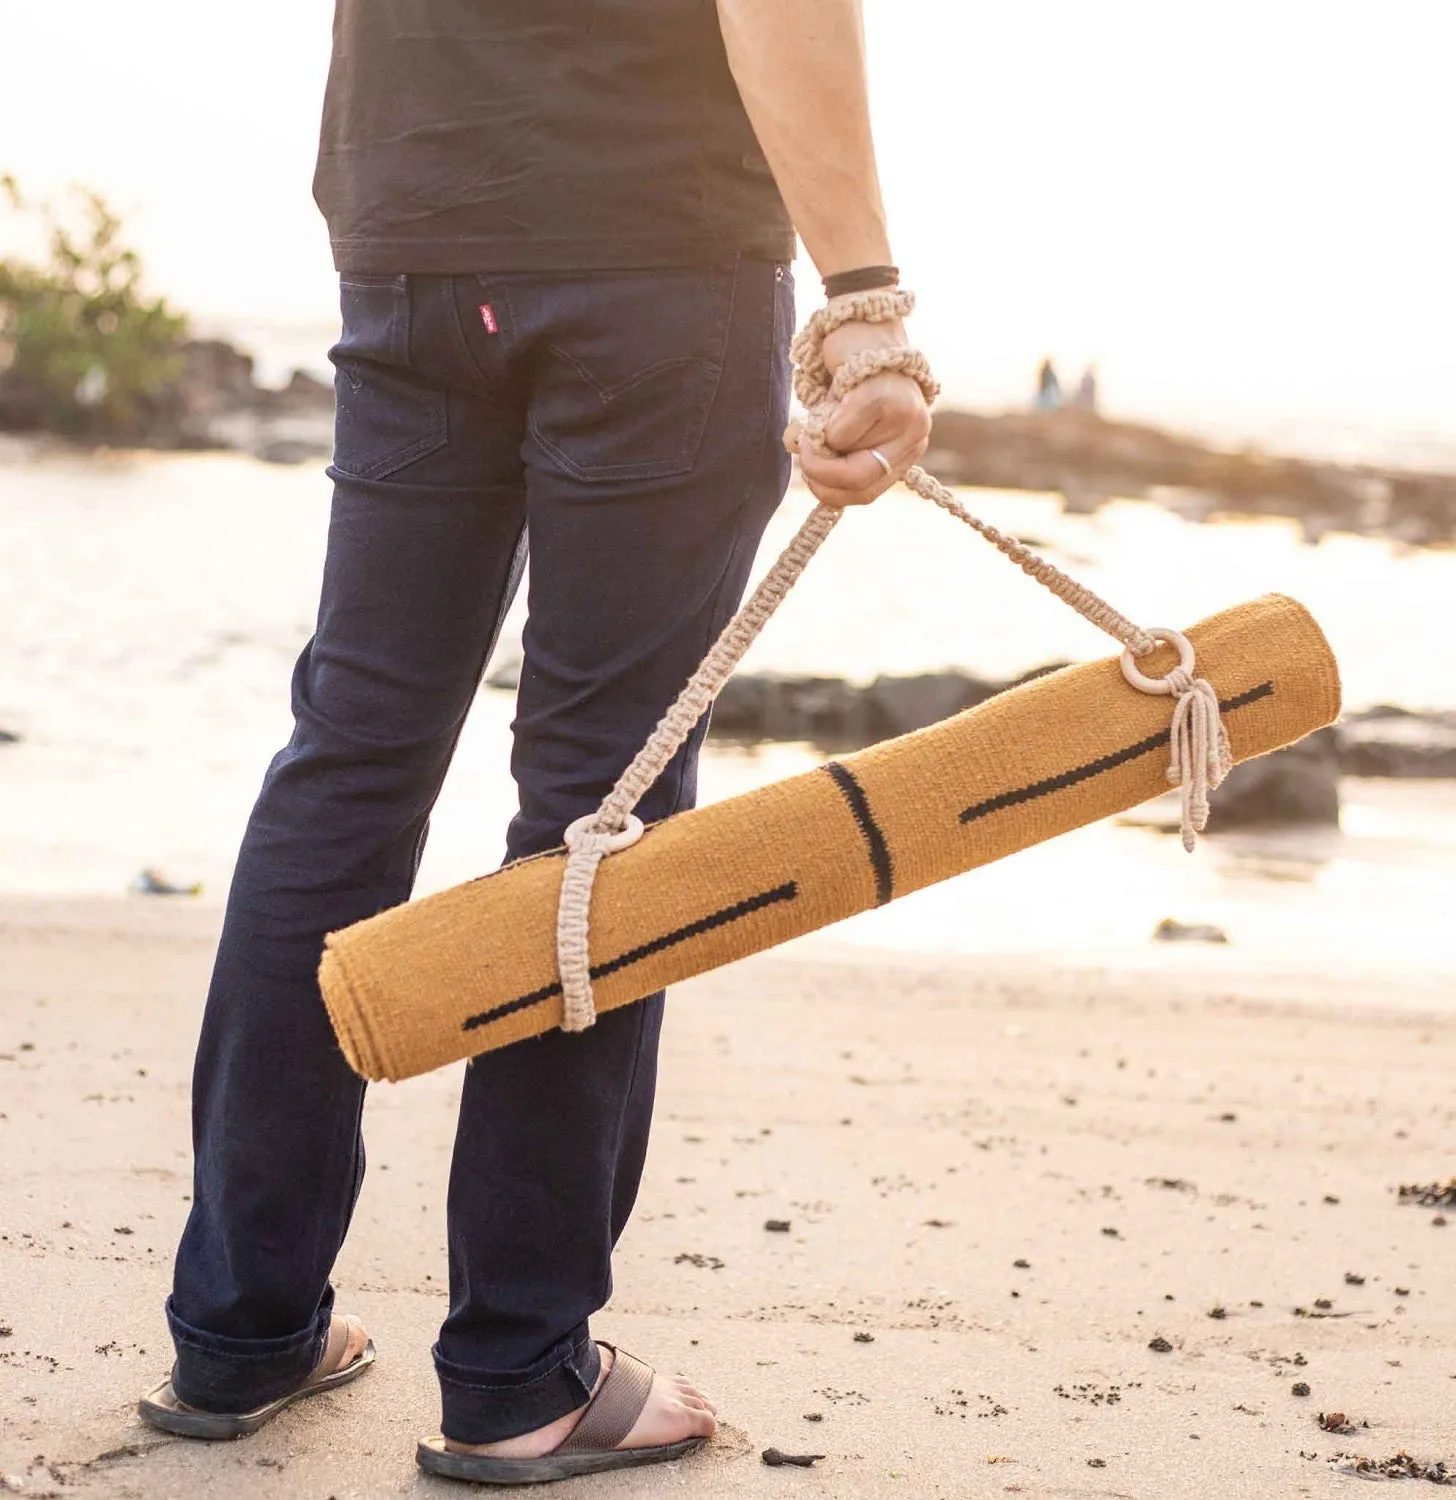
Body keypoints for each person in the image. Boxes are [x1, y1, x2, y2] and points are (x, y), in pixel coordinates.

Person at [138, 0, 931, 1486]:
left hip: (414, 223)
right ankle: (518, 1374)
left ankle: (240, 1333)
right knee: (604, 807)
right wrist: (867, 299)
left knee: (351, 760)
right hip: (650, 239)